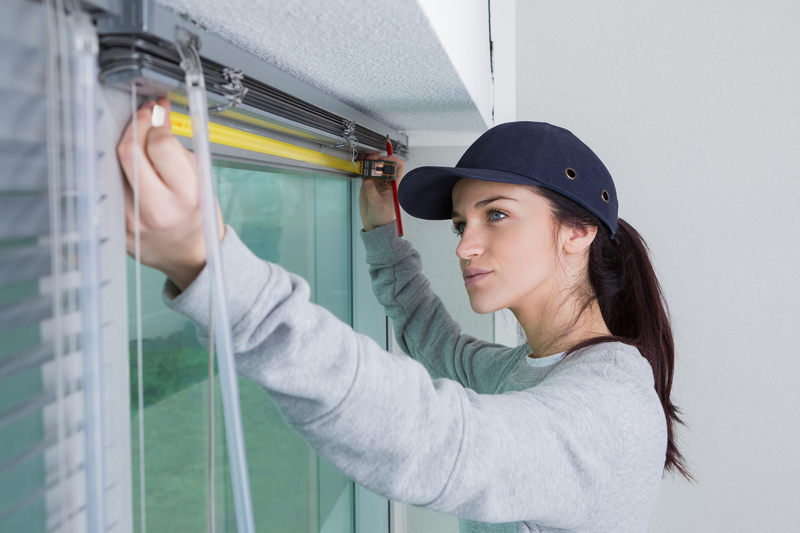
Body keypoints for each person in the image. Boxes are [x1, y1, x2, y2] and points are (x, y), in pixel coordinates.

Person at [117, 99, 691, 533]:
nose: (465, 246)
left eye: (496, 214)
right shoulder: (531, 369)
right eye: (462, 224)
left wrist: (213, 271)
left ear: (579, 231)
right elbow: (438, 343)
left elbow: (436, 442)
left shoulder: (610, 410)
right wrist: (382, 232)